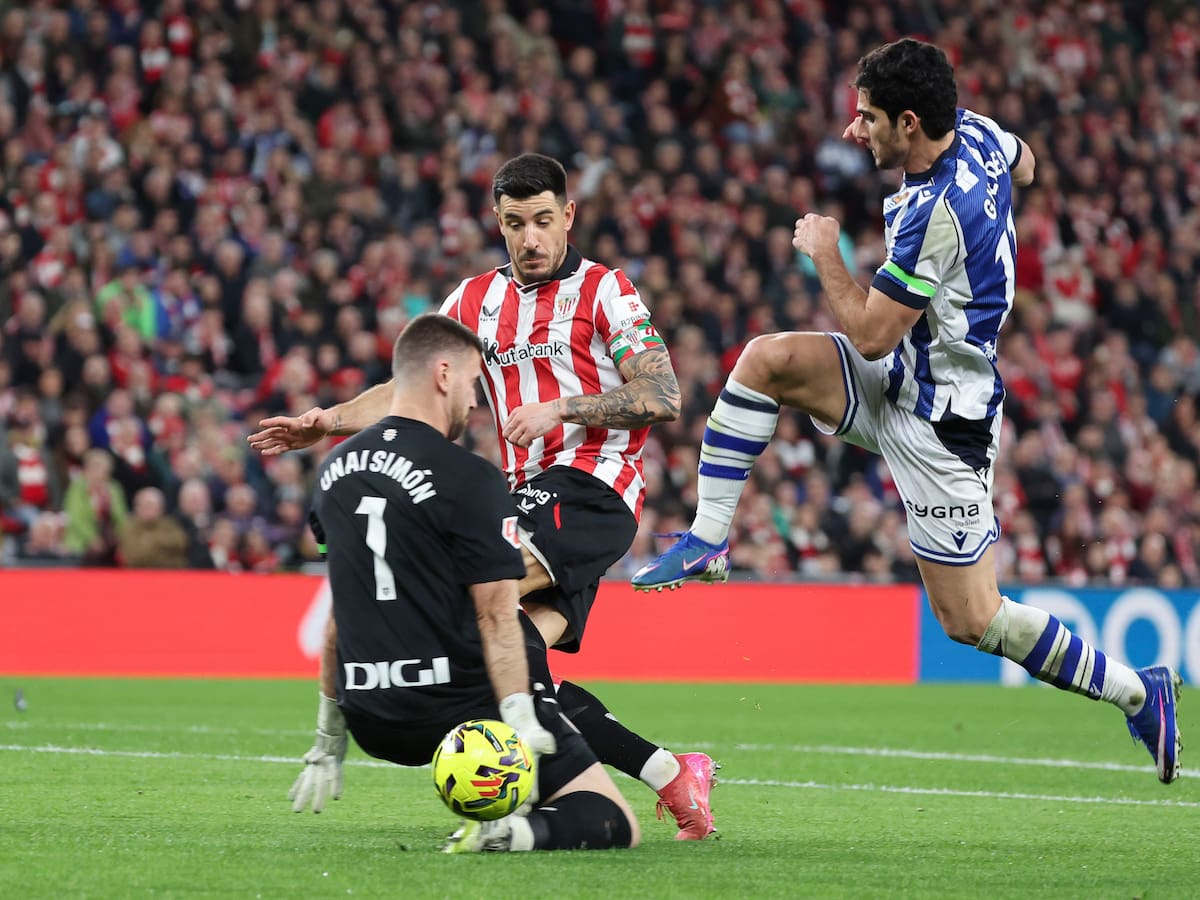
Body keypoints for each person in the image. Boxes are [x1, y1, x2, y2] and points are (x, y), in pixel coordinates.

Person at [632, 39, 1183, 784]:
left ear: (912, 123)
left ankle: (1136, 692)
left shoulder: (937, 212)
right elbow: (1028, 163)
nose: (855, 132)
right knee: (767, 361)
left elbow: (866, 329)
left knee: (972, 620)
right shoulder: (978, 131)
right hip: (903, 376)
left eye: (868, 119)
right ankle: (706, 541)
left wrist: (823, 251)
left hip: (941, 428)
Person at [251, 153, 718, 838]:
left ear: (569, 216)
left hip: (589, 493)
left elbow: (662, 394)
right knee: (510, 658)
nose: (529, 239)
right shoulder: (471, 302)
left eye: (541, 221)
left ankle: (546, 789)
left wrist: (564, 410)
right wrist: (328, 420)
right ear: (497, 223)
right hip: (517, 503)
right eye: (513, 224)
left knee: (460, 610)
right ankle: (668, 773)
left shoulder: (606, 291)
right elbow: (410, 387)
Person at [298, 312, 640, 852]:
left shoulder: (331, 472)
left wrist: (329, 728)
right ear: (442, 375)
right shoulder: (471, 478)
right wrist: (521, 718)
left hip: (373, 719)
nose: (475, 401)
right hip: (451, 708)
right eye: (473, 381)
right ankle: (509, 833)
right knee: (612, 822)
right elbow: (496, 615)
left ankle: (648, 770)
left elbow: (345, 603)